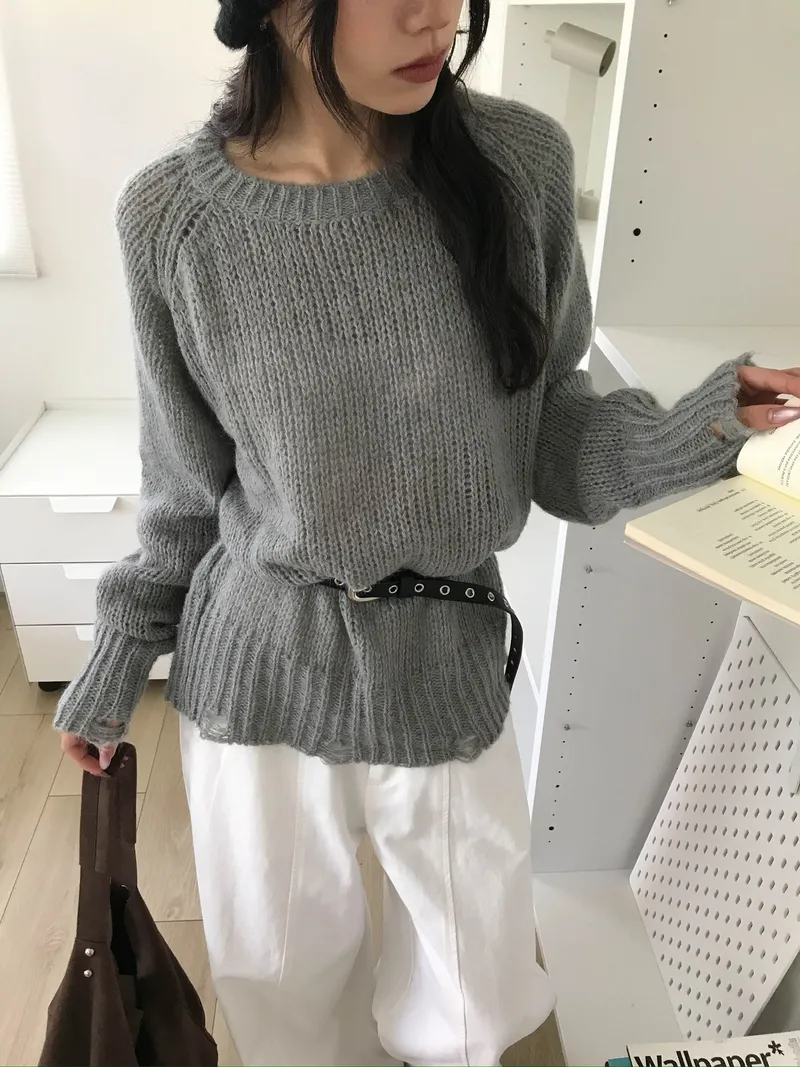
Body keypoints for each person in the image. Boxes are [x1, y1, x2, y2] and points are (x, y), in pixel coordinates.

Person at [55, 0, 800, 1064]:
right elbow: (183, 484)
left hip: (444, 653)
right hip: (262, 662)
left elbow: (552, 427)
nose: (437, 14)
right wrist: (118, 658)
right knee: (284, 1000)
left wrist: (709, 427)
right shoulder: (174, 219)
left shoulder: (517, 166)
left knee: (473, 1002)